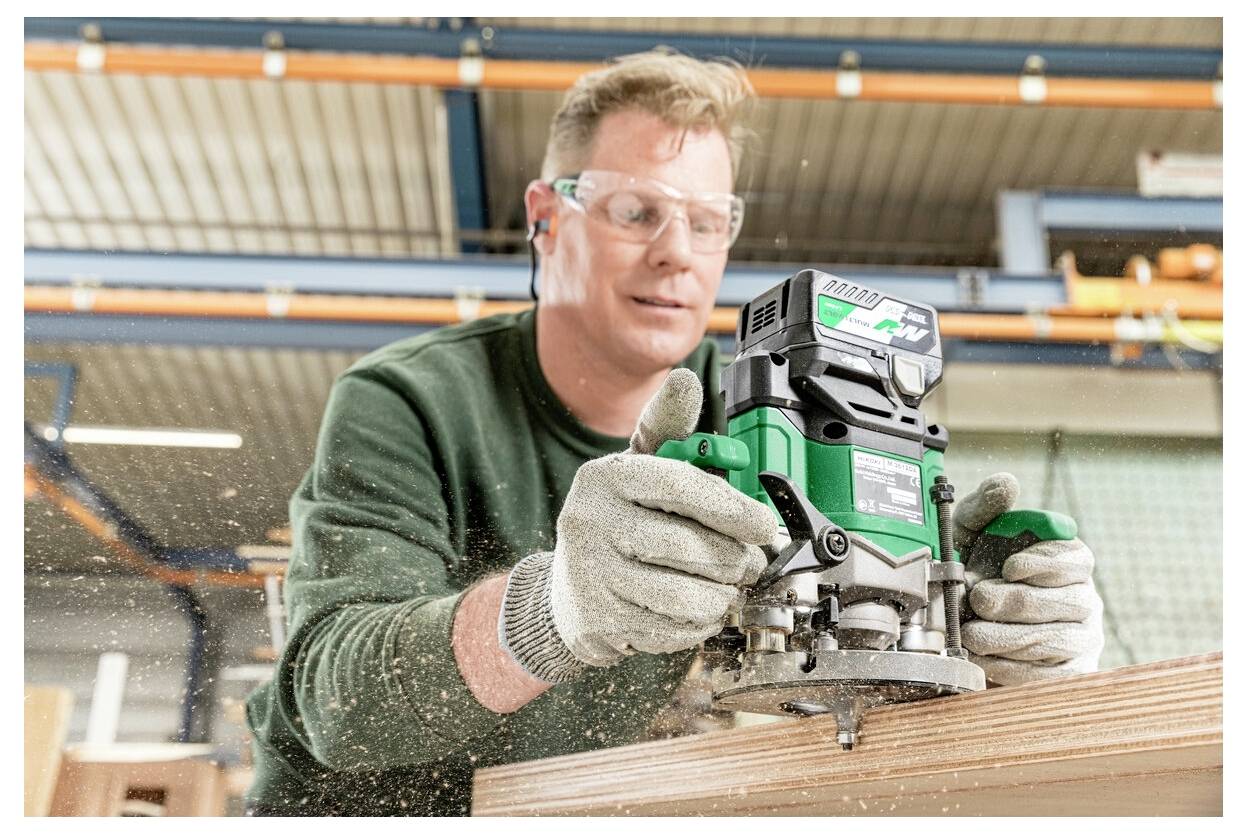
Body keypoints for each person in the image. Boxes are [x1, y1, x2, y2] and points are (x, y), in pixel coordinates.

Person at [244, 51, 1104, 816]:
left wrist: (975, 625)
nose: (675, 253)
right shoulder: (411, 398)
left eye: (706, 220)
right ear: (546, 217)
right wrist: (553, 611)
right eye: (635, 211)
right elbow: (332, 699)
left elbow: (819, 686)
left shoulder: (772, 402)